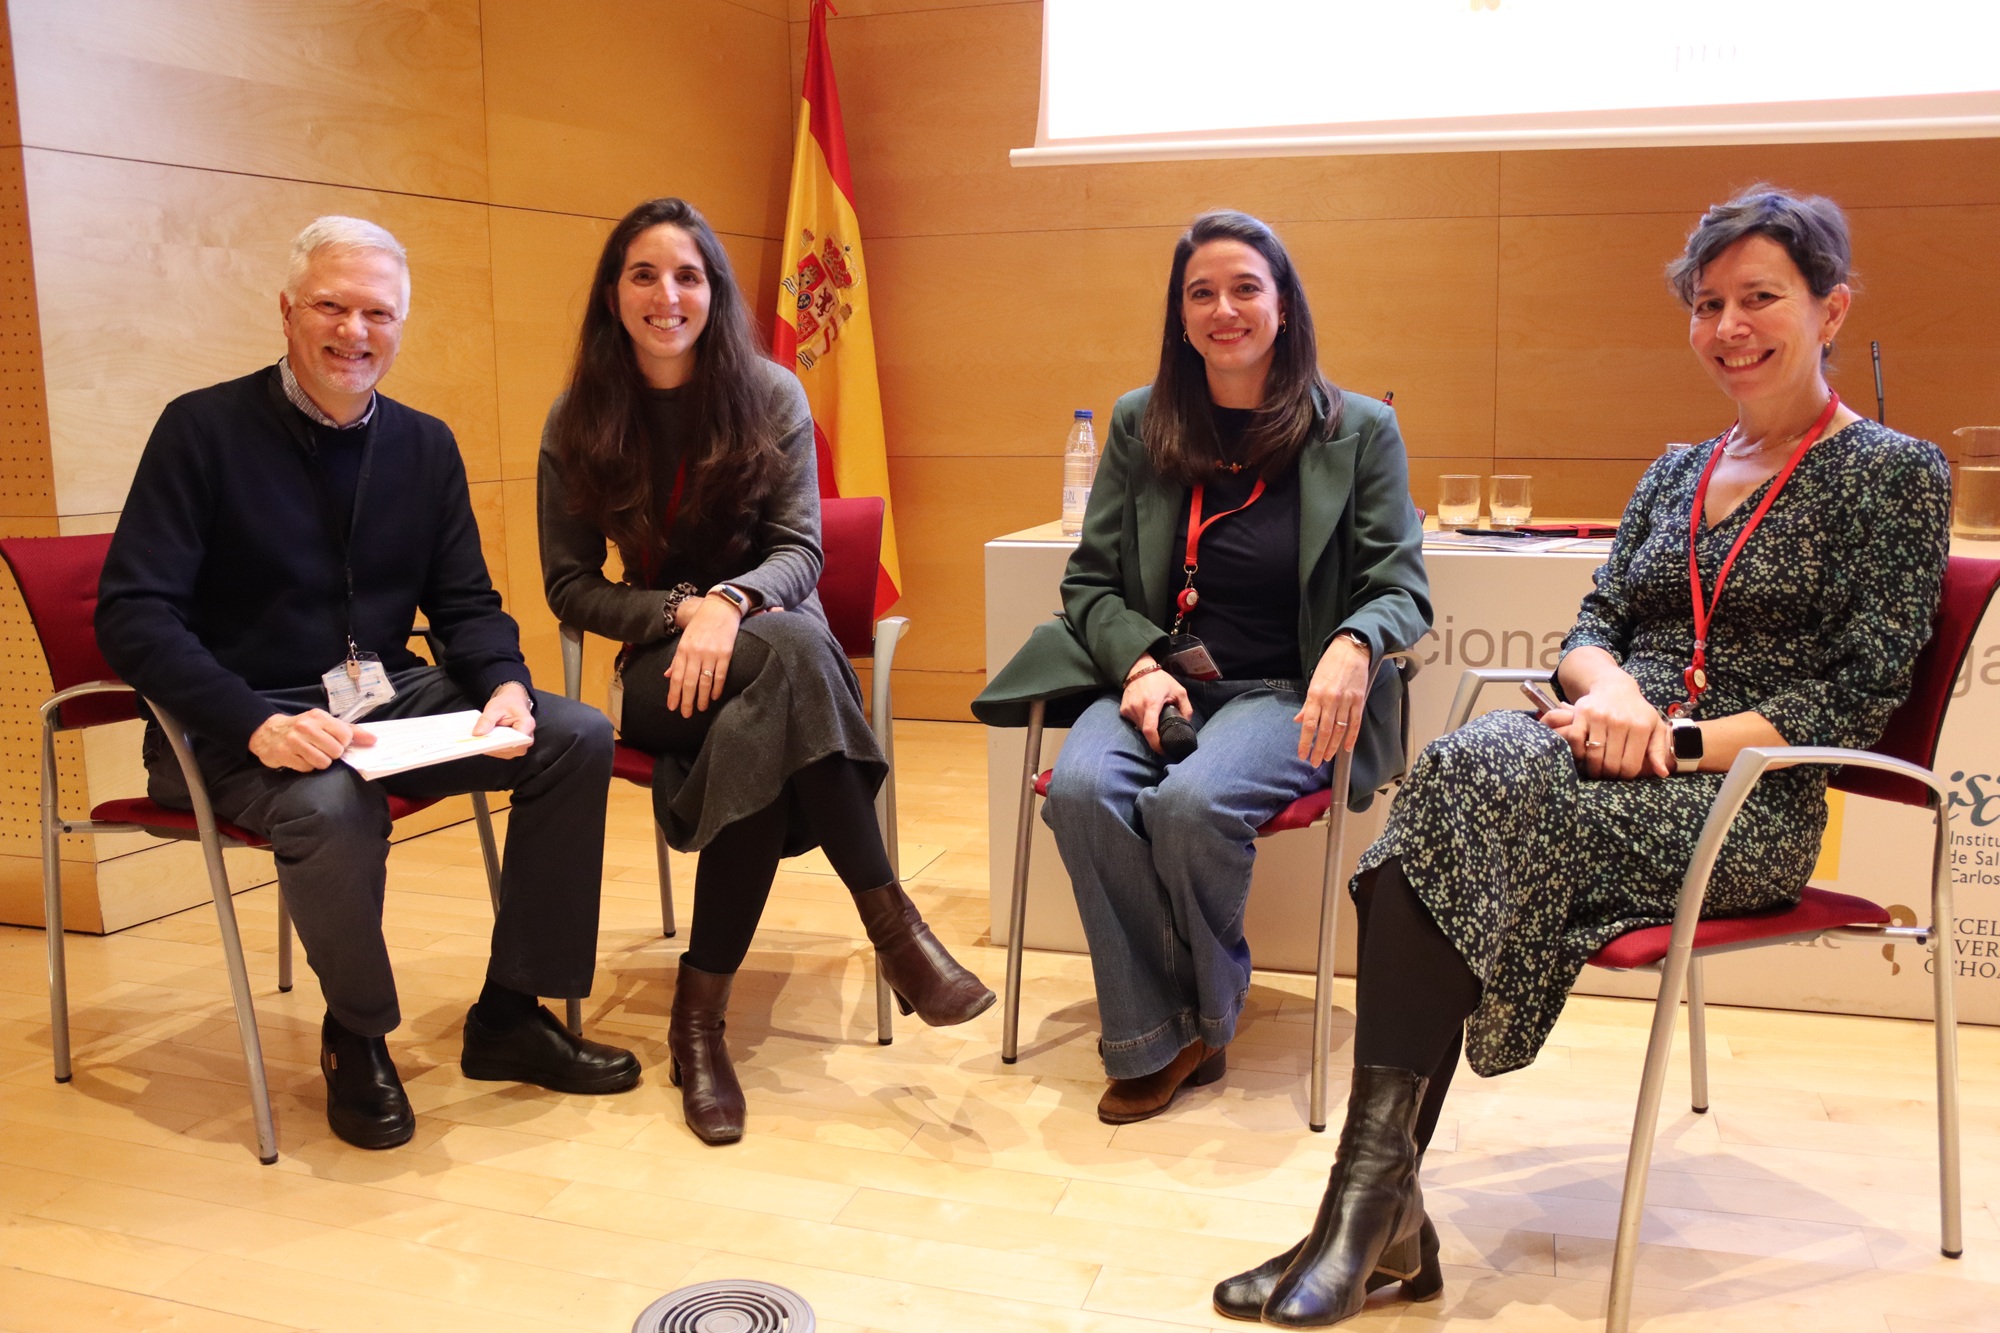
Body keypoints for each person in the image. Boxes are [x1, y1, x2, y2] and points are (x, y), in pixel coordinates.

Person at [1212, 186, 1954, 1327]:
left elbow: (1853, 699)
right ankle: (1370, 1214)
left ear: (1829, 307)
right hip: (1597, 754)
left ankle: (1366, 1217)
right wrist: (1608, 692)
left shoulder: (1892, 474)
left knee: (1460, 794)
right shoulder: (1674, 469)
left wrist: (1677, 738)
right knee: (1462, 778)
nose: (1727, 326)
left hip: (1743, 795)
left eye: (1760, 297)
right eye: (1707, 303)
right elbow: (1592, 625)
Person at [96, 217, 640, 1153]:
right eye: (331, 305)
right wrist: (256, 720)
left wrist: (506, 684)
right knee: (332, 804)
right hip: (233, 723)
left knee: (575, 734)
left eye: (377, 312)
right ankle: (358, 1033)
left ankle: (511, 1012)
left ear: (401, 325)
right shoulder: (202, 430)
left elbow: (466, 603)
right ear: (286, 311)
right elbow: (133, 617)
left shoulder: (423, 447)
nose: (355, 331)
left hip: (382, 699)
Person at [538, 197, 994, 1147]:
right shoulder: (579, 419)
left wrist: (731, 603)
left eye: (689, 274)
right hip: (663, 670)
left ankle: (697, 1025)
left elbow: (799, 549)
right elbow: (570, 585)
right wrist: (679, 612)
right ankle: (896, 931)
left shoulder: (770, 394)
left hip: (773, 638)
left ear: (716, 290)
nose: (669, 295)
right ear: (612, 294)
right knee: (793, 668)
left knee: (771, 706)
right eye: (644, 274)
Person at [974, 210, 1431, 1126]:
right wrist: (1139, 662)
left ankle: (1192, 1022)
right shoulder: (1145, 422)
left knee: (1188, 806)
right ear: (1181, 316)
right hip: (1159, 681)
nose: (1224, 309)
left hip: (1286, 689)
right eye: (1201, 293)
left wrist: (1354, 642)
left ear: (1284, 304)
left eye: (1245, 288)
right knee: (1081, 790)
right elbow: (1090, 580)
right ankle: (1172, 1028)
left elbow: (1402, 587)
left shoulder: (1359, 429)